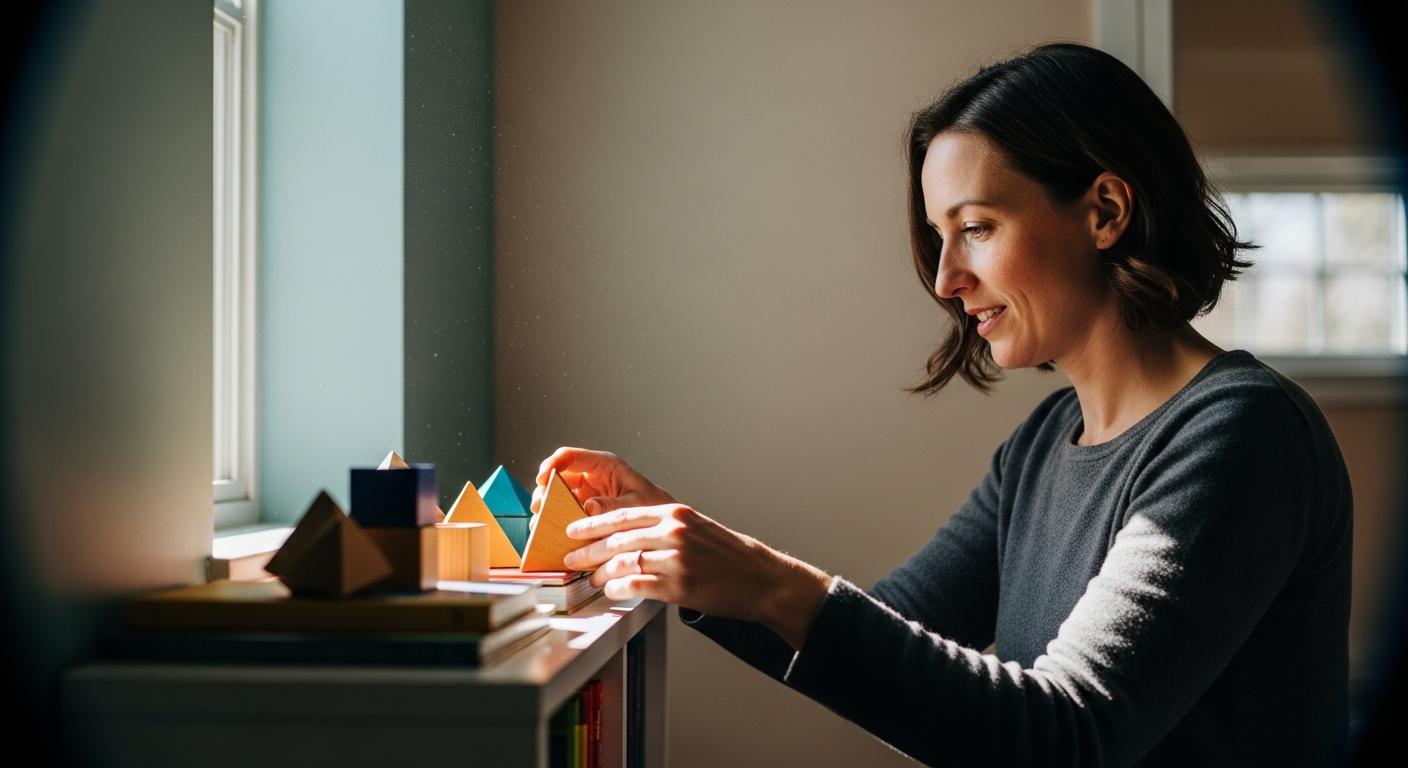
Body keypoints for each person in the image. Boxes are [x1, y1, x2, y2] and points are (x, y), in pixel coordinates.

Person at [528, 41, 1353, 767]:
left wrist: (764, 582)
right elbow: (891, 630)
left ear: (1105, 211)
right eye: (938, 236)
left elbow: (1067, 738)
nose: (946, 278)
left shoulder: (1244, 434)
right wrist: (682, 550)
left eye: (977, 227)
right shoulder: (1043, 443)